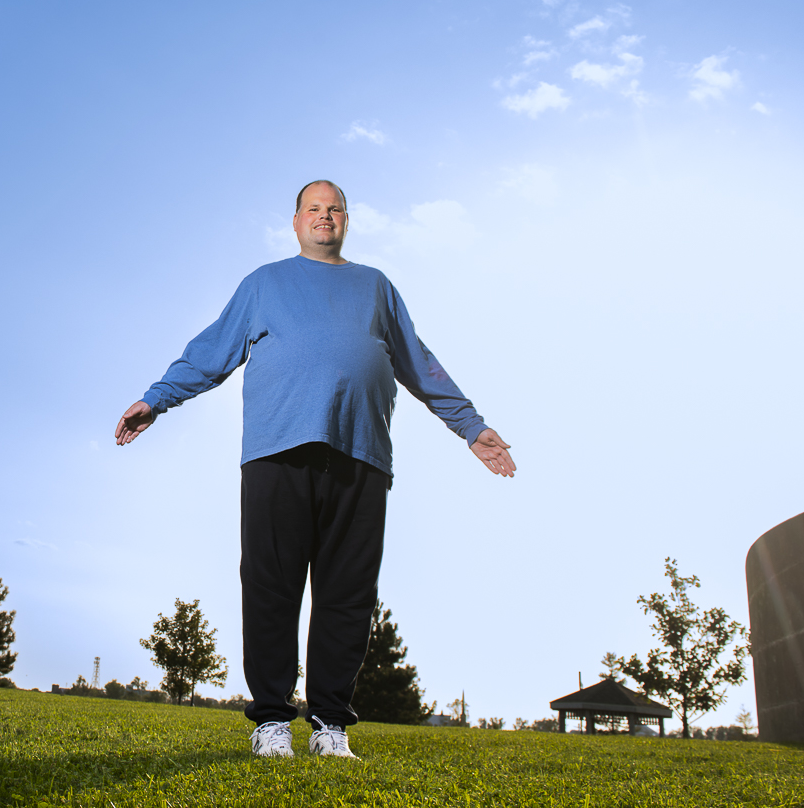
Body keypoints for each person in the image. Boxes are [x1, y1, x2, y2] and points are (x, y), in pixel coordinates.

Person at [115, 180, 515, 759]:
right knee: (271, 587)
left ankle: (331, 725)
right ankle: (272, 721)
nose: (323, 217)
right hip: (278, 452)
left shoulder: (375, 286)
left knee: (347, 594)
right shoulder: (264, 284)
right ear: (296, 220)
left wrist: (471, 427)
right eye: (313, 209)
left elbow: (420, 363)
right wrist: (156, 399)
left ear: (346, 221)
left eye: (334, 209)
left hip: (361, 455)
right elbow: (210, 353)